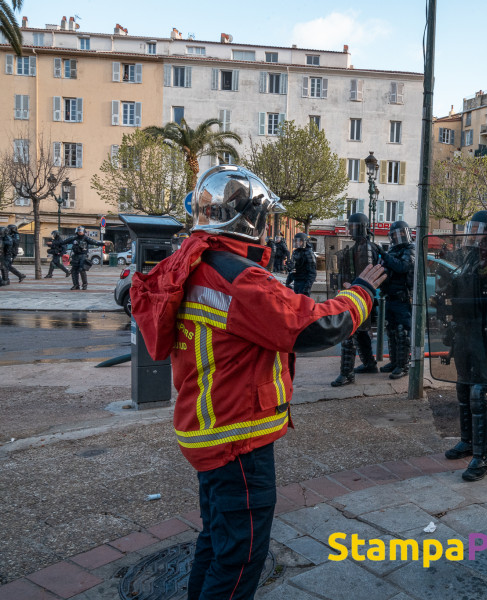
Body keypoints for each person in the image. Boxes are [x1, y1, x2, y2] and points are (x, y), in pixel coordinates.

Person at [130, 165, 386, 600]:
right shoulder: (237, 277)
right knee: (241, 558)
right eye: (265, 218)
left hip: (206, 424)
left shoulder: (190, 261)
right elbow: (310, 327)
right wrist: (360, 293)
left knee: (215, 542)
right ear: (249, 219)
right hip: (236, 437)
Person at [442, 210, 487, 482]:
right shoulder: (471, 257)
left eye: (478, 228)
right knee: (463, 386)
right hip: (468, 333)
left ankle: (484, 456)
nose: (473, 233)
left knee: (480, 393)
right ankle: (468, 441)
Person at [331, 213, 381, 387]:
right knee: (360, 332)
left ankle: (347, 373)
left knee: (349, 332)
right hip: (361, 295)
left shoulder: (366, 248)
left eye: (353, 226)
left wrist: (350, 284)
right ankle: (369, 364)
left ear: (361, 227)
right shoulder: (359, 247)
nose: (350, 229)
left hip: (361, 295)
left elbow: (364, 273)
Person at [373, 220, 415, 379]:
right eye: (396, 234)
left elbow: (403, 267)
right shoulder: (393, 250)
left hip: (402, 297)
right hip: (390, 295)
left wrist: (383, 255)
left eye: (401, 233)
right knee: (391, 331)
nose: (399, 237)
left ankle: (403, 366)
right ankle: (394, 361)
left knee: (402, 332)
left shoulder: (410, 249)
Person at [285, 232, 316, 296]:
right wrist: (288, 282)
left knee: (304, 303)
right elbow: (293, 269)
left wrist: (307, 287)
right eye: (296, 241)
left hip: (304, 282)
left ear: (305, 242)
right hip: (296, 281)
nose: (297, 243)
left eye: (299, 241)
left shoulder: (309, 253)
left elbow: (312, 272)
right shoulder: (295, 252)